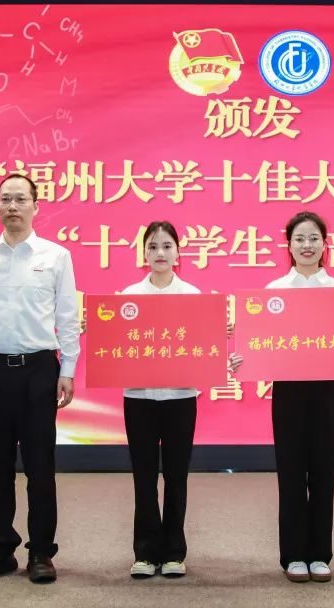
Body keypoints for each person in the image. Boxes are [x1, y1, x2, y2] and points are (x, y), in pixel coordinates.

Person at [230, 211, 334, 583]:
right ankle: (294, 555)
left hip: (329, 391)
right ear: (288, 245)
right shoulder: (274, 291)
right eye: (299, 238)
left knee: (324, 472)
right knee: (290, 472)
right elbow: (260, 347)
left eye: (314, 238)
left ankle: (320, 554)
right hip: (289, 392)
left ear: (325, 244)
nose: (307, 245)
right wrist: (242, 359)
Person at [0, 174, 80, 584]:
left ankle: (41, 552)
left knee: (40, 467)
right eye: (5, 199)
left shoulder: (56, 256)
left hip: (38, 371)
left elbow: (67, 317)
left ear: (35, 206)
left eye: (21, 199)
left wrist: (67, 369)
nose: (13, 206)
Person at [120, 221, 203, 580]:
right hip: (138, 398)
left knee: (176, 476)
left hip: (180, 397)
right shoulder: (127, 296)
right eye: (153, 246)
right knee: (143, 477)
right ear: (143, 253)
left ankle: (173, 552)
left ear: (178, 253)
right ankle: (144, 552)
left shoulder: (194, 296)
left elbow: (203, 348)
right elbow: (118, 348)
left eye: (167, 246)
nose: (160, 253)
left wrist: (220, 330)